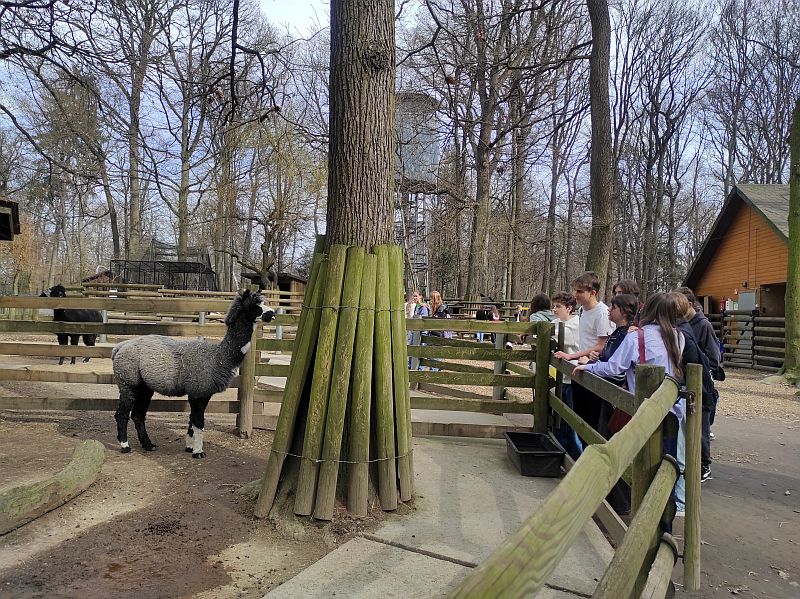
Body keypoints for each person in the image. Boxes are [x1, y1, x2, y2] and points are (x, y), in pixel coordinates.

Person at [574, 293, 687, 514]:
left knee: (636, 461)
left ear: (648, 311)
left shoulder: (637, 338)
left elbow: (614, 368)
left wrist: (588, 367)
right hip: (672, 410)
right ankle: (661, 514)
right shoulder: (678, 337)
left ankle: (637, 512)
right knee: (665, 463)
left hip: (643, 410)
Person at [554, 272, 615, 431]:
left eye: (580, 291)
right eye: (576, 291)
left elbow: (602, 345)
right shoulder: (582, 310)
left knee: (591, 421)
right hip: (580, 367)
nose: (576, 295)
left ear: (593, 293)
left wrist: (572, 355)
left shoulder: (602, 313)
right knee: (579, 417)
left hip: (594, 370)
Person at [671, 292, 716, 483]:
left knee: (701, 428)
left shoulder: (701, 326)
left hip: (700, 383)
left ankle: (704, 465)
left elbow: (712, 356)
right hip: (690, 381)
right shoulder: (681, 327)